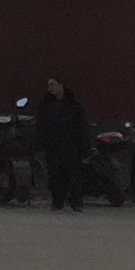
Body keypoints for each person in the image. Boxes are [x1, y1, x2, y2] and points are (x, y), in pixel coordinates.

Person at [37, 80, 91, 211]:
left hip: (71, 146)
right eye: (49, 85)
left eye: (53, 84)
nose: (50, 88)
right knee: (55, 174)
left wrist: (84, 146)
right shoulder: (46, 105)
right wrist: (40, 144)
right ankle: (57, 201)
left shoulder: (74, 106)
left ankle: (76, 201)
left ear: (61, 85)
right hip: (53, 146)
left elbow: (82, 127)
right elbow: (41, 126)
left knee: (73, 174)